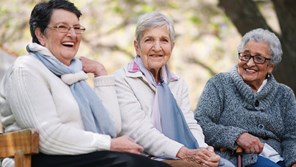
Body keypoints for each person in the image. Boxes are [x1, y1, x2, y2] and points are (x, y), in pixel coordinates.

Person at [0, 1, 170, 167]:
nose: (73, 34)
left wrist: (101, 73)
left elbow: (112, 128)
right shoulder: (26, 69)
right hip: (38, 159)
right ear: (40, 35)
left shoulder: (73, 74)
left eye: (76, 28)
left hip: (82, 155)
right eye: (62, 27)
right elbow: (47, 136)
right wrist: (108, 144)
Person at [113, 11, 234, 167]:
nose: (157, 47)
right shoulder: (122, 80)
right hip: (146, 158)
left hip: (184, 152)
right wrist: (184, 153)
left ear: (172, 46)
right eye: (149, 40)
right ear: (137, 46)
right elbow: (140, 133)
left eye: (164, 40)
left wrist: (203, 150)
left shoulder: (177, 82)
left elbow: (190, 124)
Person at [194, 28, 296, 167]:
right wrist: (237, 136)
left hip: (279, 159)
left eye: (259, 58)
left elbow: (291, 137)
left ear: (270, 66)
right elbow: (201, 123)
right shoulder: (219, 84)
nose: (249, 63)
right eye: (245, 56)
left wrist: (293, 161)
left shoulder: (284, 94)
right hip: (241, 158)